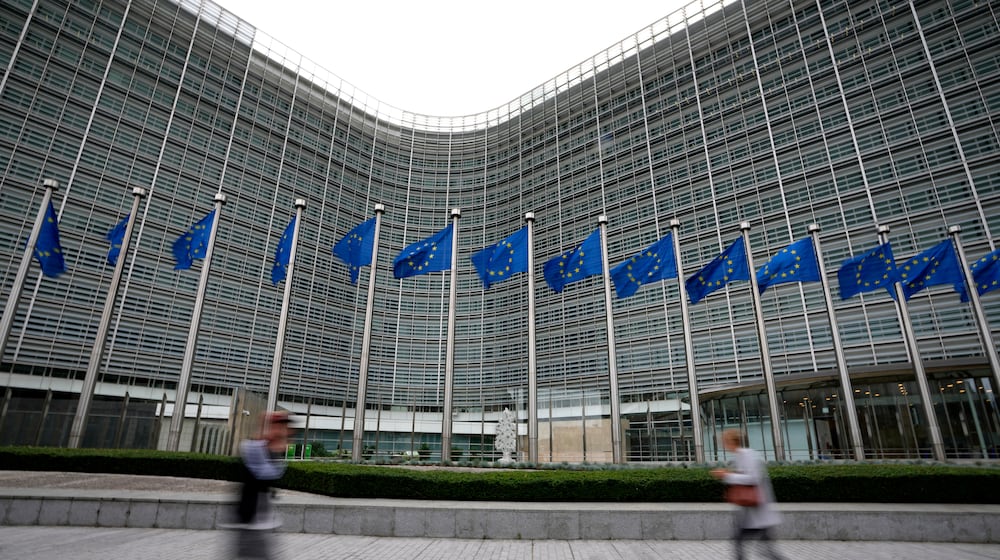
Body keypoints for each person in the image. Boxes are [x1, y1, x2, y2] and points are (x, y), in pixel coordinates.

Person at [711, 428, 787, 560]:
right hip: (750, 510)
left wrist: (727, 475)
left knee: (742, 542)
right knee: (763, 549)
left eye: (725, 442)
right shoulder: (740, 456)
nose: (724, 445)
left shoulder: (748, 455)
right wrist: (728, 475)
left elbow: (753, 479)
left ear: (731, 441)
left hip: (758, 509)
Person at [231, 410, 297, 559]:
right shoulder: (253, 448)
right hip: (249, 523)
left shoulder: (271, 452)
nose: (283, 433)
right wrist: (266, 434)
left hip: (261, 523)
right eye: (279, 427)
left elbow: (275, 472)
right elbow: (266, 472)